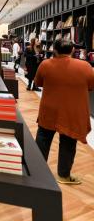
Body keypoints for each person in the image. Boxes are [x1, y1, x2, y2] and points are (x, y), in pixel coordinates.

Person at [34, 40, 94, 185]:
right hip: (71, 112)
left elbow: (38, 83)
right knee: (68, 142)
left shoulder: (46, 64)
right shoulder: (85, 66)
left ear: (54, 50)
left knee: (43, 139)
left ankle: (36, 171)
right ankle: (63, 175)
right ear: (73, 50)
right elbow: (91, 86)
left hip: (49, 110)